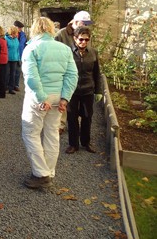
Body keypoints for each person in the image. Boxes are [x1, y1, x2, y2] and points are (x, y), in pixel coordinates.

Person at [21, 17, 78, 189]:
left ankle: (41, 174)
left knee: (30, 134)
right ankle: (49, 172)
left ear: (34, 29)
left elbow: (31, 76)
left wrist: (41, 98)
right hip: (57, 96)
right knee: (52, 133)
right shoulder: (64, 49)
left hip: (39, 98)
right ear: (51, 29)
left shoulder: (31, 48)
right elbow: (72, 75)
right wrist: (65, 98)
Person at [55, 10, 93, 134]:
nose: (86, 25)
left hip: (81, 73)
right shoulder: (61, 34)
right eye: (84, 23)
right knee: (65, 98)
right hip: (65, 70)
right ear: (75, 21)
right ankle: (61, 124)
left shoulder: (85, 33)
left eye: (87, 23)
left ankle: (78, 131)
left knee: (78, 107)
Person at [65, 27, 102, 154]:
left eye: (87, 39)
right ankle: (73, 144)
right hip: (72, 91)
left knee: (87, 117)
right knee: (72, 117)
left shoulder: (93, 52)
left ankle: (86, 142)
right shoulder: (67, 52)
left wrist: (99, 91)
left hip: (87, 90)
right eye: (81, 39)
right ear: (75, 38)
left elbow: (97, 73)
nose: (84, 42)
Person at [5, 26, 20, 95]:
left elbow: (17, 49)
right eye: (15, 33)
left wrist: (18, 58)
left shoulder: (16, 39)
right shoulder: (6, 39)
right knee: (7, 74)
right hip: (8, 59)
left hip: (15, 59)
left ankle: (11, 88)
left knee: (13, 74)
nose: (17, 34)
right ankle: (5, 87)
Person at [13, 20, 27, 92]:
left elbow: (24, 45)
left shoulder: (23, 35)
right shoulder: (11, 34)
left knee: (18, 71)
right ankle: (10, 85)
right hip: (13, 55)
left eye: (21, 28)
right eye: (19, 28)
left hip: (20, 55)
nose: (20, 29)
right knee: (11, 71)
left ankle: (16, 85)